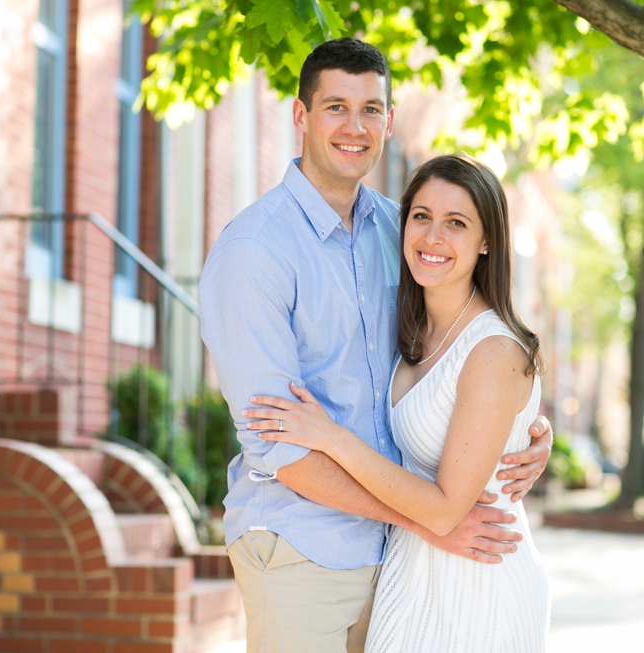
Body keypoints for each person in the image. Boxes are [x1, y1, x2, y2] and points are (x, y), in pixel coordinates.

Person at [199, 38, 551, 653]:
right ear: (300, 117)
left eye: (371, 109)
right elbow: (277, 445)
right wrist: (429, 523)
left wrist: (519, 428)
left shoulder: (403, 229)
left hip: (399, 561)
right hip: (303, 548)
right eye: (335, 106)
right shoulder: (253, 252)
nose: (354, 127)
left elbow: (463, 358)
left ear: (389, 122)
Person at [250, 154, 550, 651]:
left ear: (487, 241)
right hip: (411, 570)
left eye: (457, 223)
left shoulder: (493, 350)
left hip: (478, 579)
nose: (433, 238)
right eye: (421, 216)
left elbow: (446, 510)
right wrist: (536, 432)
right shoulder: (411, 327)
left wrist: (330, 437)